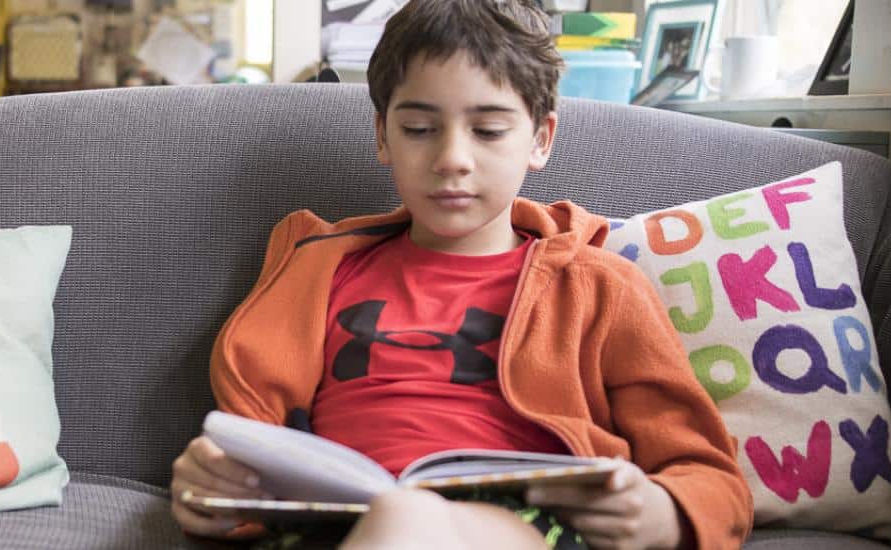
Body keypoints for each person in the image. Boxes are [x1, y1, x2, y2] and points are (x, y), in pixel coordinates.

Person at [170, 1, 753, 548]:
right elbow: (249, 445)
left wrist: (662, 512)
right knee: (395, 515)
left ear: (540, 140)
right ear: (382, 136)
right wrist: (213, 487)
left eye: (489, 130)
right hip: (334, 516)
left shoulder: (600, 287)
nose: (452, 157)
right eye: (420, 129)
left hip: (528, 520)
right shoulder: (319, 270)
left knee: (407, 514)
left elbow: (710, 475)